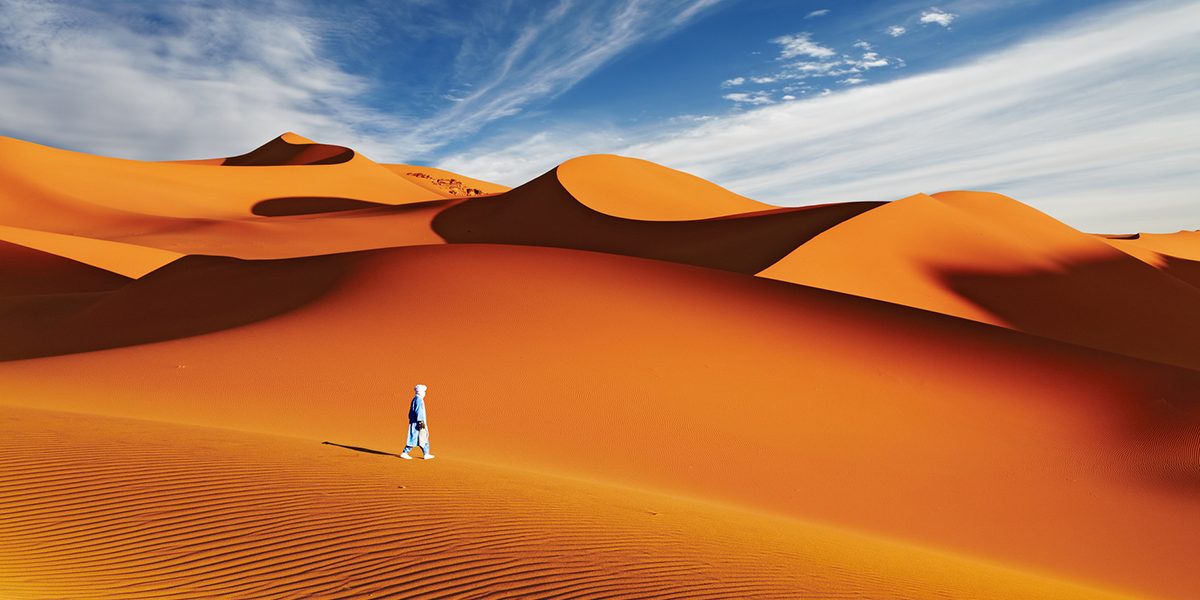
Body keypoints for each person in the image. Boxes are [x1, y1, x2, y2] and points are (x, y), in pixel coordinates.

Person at [401, 384, 434, 460]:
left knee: (423, 437)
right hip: (418, 422)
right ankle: (405, 452)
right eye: (424, 391)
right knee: (415, 437)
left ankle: (426, 453)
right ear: (420, 392)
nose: (424, 393)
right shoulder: (419, 400)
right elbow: (419, 411)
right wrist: (420, 422)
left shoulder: (415, 399)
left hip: (416, 422)